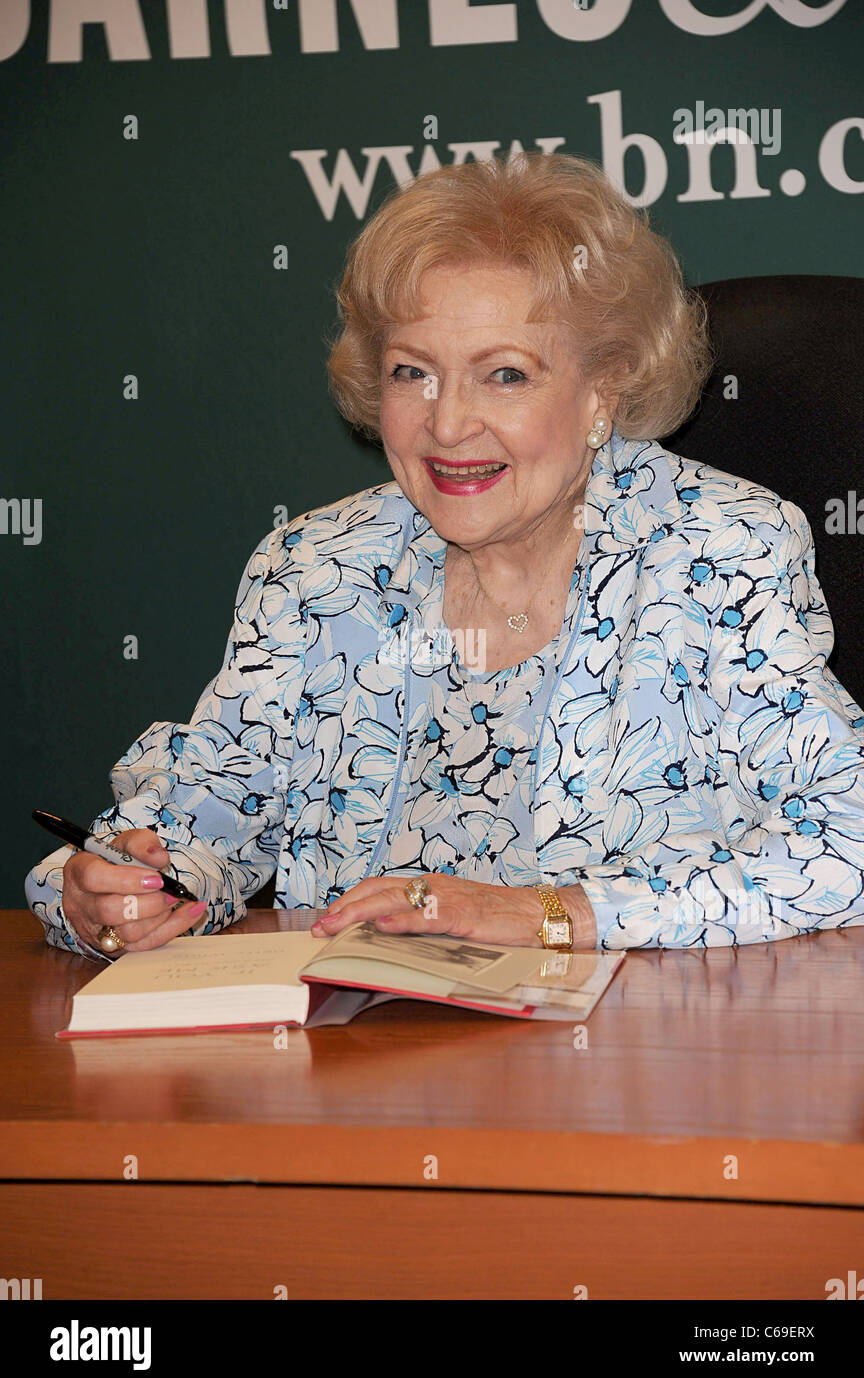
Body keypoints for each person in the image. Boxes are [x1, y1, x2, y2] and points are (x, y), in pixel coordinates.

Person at [25, 152, 864, 962]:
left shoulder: (716, 552)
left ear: (603, 389)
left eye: (505, 374)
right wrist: (113, 892)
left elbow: (847, 841)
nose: (448, 422)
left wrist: (549, 916)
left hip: (635, 1071)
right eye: (411, 372)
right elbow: (204, 819)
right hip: (361, 1065)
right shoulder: (320, 567)